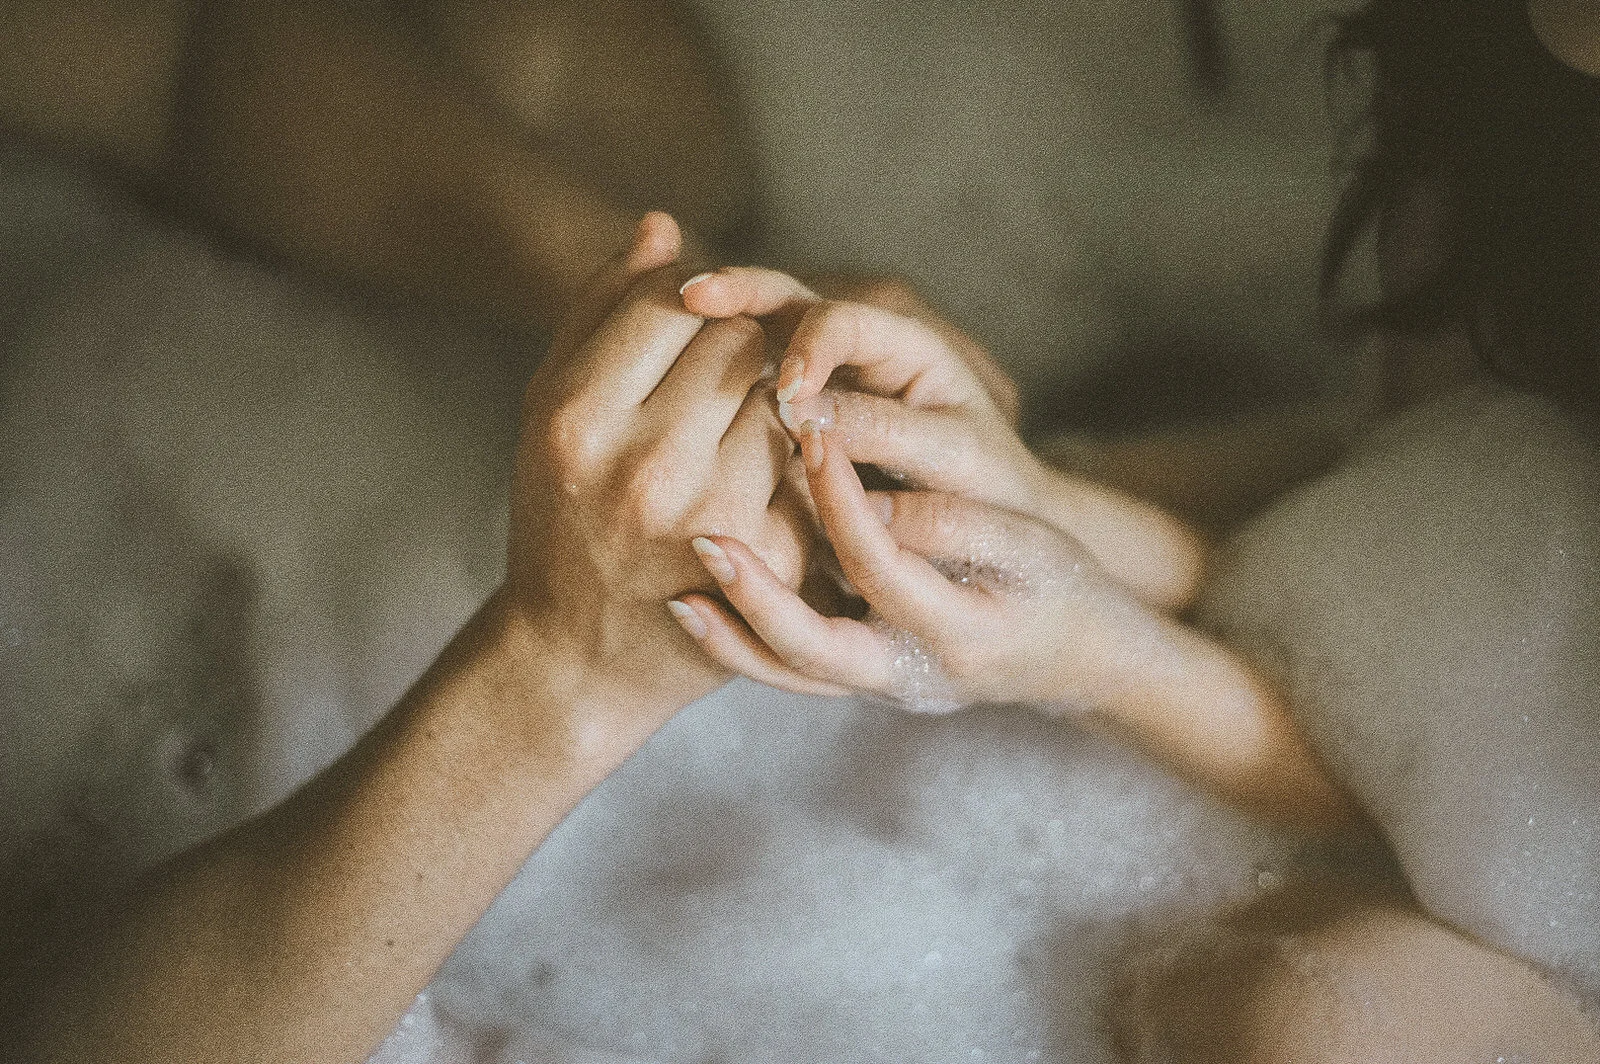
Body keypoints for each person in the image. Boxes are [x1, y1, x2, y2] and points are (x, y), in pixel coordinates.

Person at [664, 0, 1600, 1056]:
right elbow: (1434, 494)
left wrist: (1092, 653)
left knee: (1308, 1021)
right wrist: (1028, 492)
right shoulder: (1505, 55)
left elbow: (1482, 784)